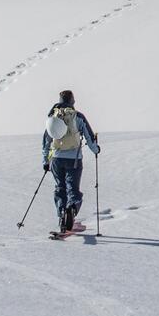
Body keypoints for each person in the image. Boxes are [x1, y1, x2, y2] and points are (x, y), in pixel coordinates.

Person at [42, 89, 100, 233]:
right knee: (72, 189)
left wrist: (45, 161)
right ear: (72, 100)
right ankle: (71, 210)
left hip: (56, 159)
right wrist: (96, 150)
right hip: (74, 160)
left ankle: (63, 216)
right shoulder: (78, 117)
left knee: (60, 188)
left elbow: (46, 141)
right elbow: (89, 137)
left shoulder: (53, 117)